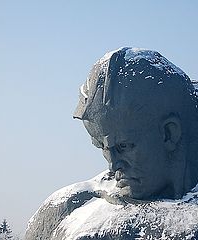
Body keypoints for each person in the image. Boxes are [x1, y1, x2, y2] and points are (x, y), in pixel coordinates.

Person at [25, 47, 198, 240]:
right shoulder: (69, 207)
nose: (113, 165)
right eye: (102, 147)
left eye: (123, 147)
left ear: (169, 133)